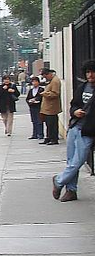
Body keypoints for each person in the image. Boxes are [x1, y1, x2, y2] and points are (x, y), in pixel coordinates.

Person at [52, 59, 95, 202]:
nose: (90, 75)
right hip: (75, 126)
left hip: (88, 131)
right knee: (71, 160)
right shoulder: (82, 87)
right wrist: (75, 111)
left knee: (78, 161)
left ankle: (58, 181)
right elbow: (73, 105)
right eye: (88, 72)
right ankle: (71, 190)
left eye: (93, 71)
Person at [39, 67, 61, 145]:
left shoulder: (55, 81)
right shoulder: (51, 80)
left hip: (52, 107)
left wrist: (44, 94)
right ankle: (48, 137)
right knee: (48, 123)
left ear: (48, 74)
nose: (45, 78)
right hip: (48, 107)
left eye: (45, 76)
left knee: (52, 123)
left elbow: (55, 93)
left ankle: (53, 138)